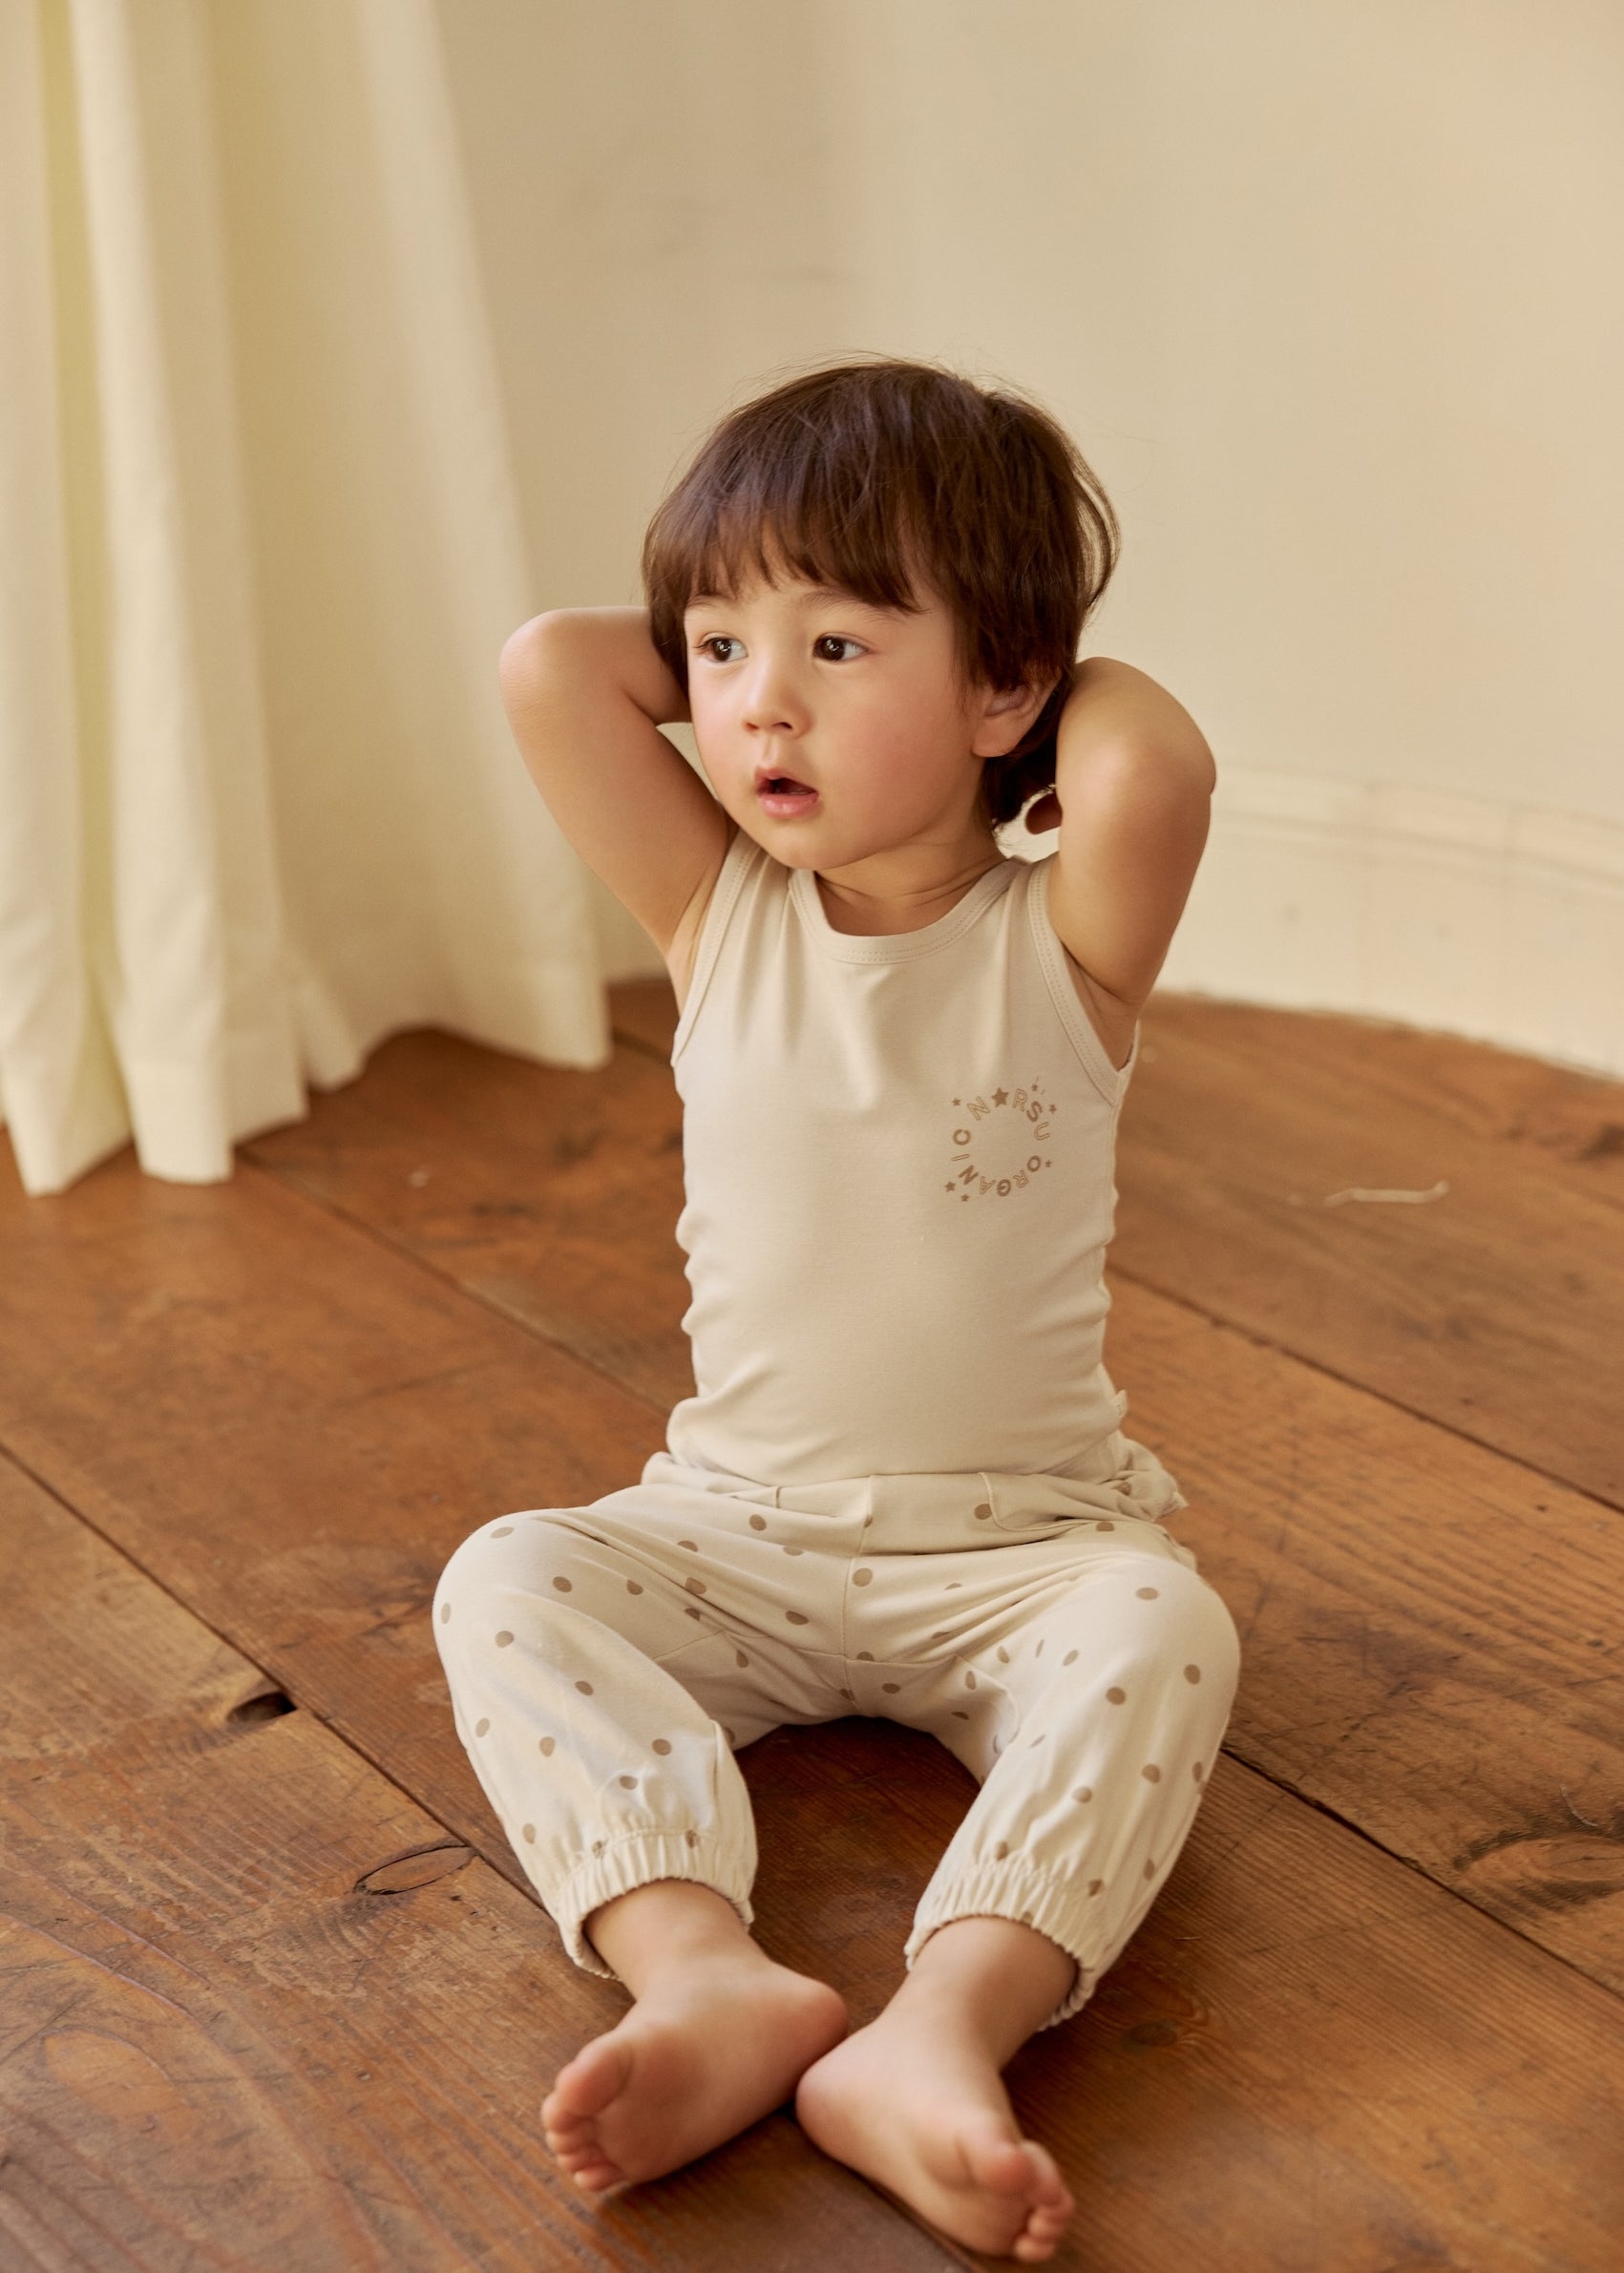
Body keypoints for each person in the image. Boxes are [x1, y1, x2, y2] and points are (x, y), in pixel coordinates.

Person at [432, 355, 1240, 2263]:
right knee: (503, 1576)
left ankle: (935, 2037)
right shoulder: (717, 918)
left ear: (1005, 690)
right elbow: (556, 662)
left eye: (838, 644)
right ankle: (703, 1971)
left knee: (1168, 1628)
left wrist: (1023, 677)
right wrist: (812, 650)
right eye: (718, 649)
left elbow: (1153, 763)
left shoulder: (1060, 944)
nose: (755, 699)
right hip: (733, 1529)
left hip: (1020, 1548)